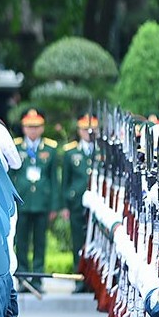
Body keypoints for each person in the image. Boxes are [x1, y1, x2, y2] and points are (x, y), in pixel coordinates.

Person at [9, 108, 57, 292]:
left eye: (36, 127)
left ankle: (37, 279)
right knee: (20, 241)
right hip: (22, 201)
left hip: (41, 202)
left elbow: (54, 179)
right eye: (29, 127)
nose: (33, 130)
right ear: (23, 128)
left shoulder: (50, 149)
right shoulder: (16, 147)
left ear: (42, 128)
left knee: (40, 242)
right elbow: (11, 176)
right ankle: (22, 278)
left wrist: (54, 205)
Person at [59, 113, 98, 293]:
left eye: (92, 130)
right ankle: (79, 278)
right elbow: (65, 181)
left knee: (96, 244)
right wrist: (65, 205)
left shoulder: (102, 152)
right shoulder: (71, 152)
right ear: (79, 130)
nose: (88, 133)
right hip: (76, 203)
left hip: (98, 206)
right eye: (84, 129)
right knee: (78, 242)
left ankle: (94, 281)